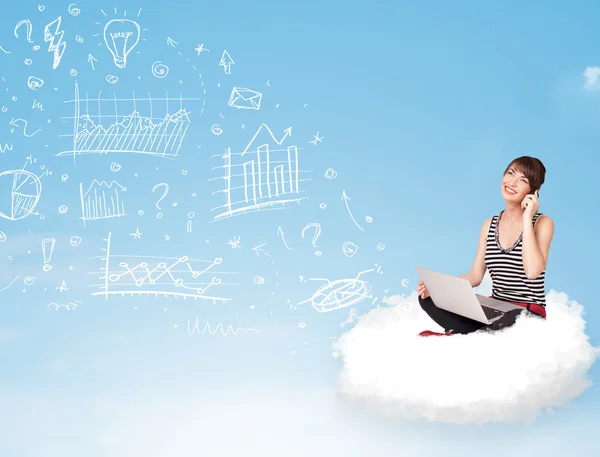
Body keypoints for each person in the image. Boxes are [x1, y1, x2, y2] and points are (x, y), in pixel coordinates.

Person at [416, 156, 554, 335]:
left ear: (533, 191)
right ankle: (474, 335)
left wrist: (528, 218)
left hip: (527, 311)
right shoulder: (490, 224)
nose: (512, 182)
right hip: (494, 306)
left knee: (512, 319)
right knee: (429, 299)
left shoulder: (542, 223)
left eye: (523, 180)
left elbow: (533, 271)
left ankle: (461, 336)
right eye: (510, 173)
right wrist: (438, 288)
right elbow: (475, 276)